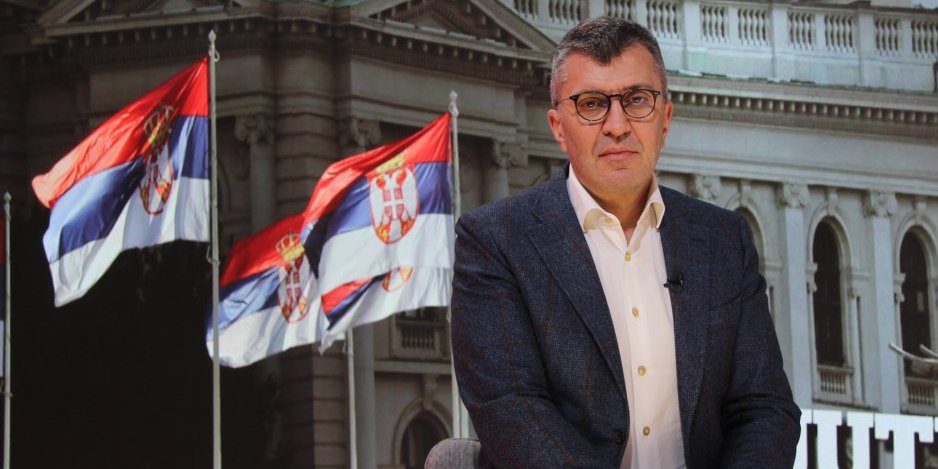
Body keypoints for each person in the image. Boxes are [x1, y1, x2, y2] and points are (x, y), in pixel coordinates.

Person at [450, 17, 801, 468]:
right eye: (592, 104)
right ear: (558, 127)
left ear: (665, 119)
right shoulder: (494, 242)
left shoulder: (724, 240)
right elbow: (512, 413)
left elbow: (765, 409)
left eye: (637, 100)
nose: (617, 125)